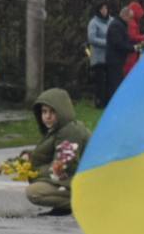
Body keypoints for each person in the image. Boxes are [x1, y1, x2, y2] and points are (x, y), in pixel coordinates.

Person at [21, 87, 93, 215]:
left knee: (34, 192)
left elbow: (61, 168)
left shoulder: (71, 132)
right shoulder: (58, 130)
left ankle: (87, 203)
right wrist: (28, 157)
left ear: (62, 111)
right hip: (76, 181)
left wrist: (32, 171)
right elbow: (48, 155)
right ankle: (66, 206)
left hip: (88, 183)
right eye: (44, 112)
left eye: (52, 112)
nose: (47, 116)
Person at [105, 5, 135, 101]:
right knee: (115, 83)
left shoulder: (119, 24)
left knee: (117, 82)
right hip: (114, 60)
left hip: (117, 59)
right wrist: (133, 48)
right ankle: (115, 103)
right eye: (130, 18)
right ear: (124, 16)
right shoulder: (116, 25)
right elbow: (118, 43)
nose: (131, 21)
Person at [86, 3, 111, 108]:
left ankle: (108, 101)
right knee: (100, 82)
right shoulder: (93, 23)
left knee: (109, 81)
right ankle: (99, 102)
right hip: (98, 58)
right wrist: (107, 42)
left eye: (106, 8)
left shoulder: (111, 21)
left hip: (110, 56)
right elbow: (92, 39)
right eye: (102, 8)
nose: (104, 10)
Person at [122, 0, 144, 77]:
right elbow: (132, 37)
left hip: (132, 48)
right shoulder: (132, 23)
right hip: (133, 48)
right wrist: (143, 37)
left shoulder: (131, 22)